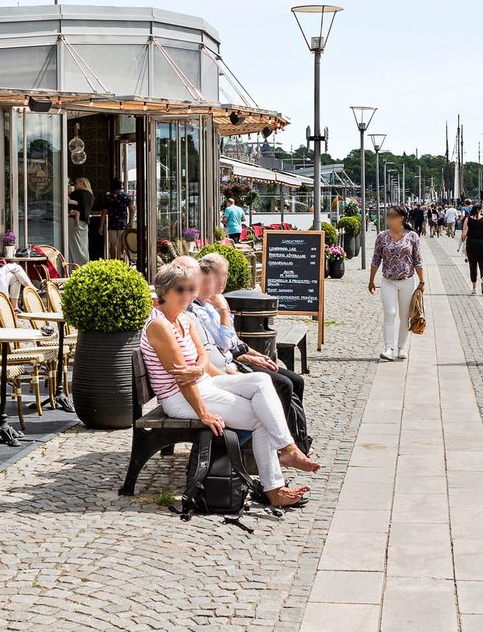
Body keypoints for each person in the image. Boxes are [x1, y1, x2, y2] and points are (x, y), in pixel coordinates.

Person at [141, 262, 319, 508]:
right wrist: (204, 414)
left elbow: (202, 356)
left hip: (203, 383)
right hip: (180, 398)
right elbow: (183, 379)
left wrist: (199, 368)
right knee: (261, 418)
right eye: (180, 289)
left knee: (261, 380)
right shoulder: (160, 325)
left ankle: (287, 450)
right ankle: (275, 487)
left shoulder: (183, 318)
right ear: (164, 291)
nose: (187, 295)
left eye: (191, 289)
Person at [187, 254, 312, 453]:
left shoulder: (213, 303)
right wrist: (223, 311)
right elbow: (225, 345)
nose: (222, 280)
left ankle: (297, 440)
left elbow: (234, 342)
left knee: (296, 380)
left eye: (225, 275)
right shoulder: (200, 310)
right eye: (219, 275)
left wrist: (256, 355)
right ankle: (287, 445)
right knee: (283, 384)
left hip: (232, 360)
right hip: (225, 367)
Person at [368, 205, 425, 362]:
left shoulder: (412, 236)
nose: (389, 219)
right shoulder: (382, 237)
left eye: (393, 216)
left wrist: (422, 281)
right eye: (388, 216)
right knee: (390, 313)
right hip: (388, 281)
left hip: (407, 281)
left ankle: (401, 347)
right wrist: (371, 280)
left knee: (404, 315)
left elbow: (418, 260)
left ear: (402, 218)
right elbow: (376, 259)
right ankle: (388, 348)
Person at [100, 179, 134, 260]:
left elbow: (104, 212)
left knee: (112, 245)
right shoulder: (125, 196)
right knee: (123, 243)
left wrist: (101, 226)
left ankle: (113, 261)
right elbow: (131, 210)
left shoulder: (108, 197)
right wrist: (130, 222)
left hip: (112, 224)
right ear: (121, 185)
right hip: (123, 224)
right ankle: (122, 258)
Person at [68, 178, 95, 266]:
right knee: (83, 246)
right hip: (84, 223)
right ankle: (84, 265)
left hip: (73, 221)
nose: (74, 184)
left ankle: (74, 266)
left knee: (73, 246)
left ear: (81, 183)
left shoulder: (75, 194)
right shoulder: (90, 195)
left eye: (76, 182)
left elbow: (68, 206)